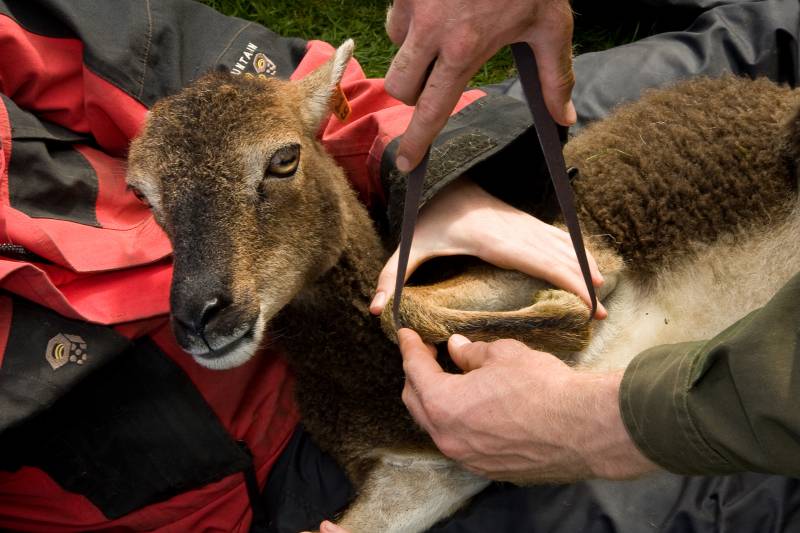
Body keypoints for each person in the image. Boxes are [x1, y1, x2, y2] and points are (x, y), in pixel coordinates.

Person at [1, 3, 799, 533]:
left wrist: (432, 171)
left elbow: (200, 77)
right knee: (717, 494)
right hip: (279, 471)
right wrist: (611, 425)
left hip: (384, 213)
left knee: (751, 47)